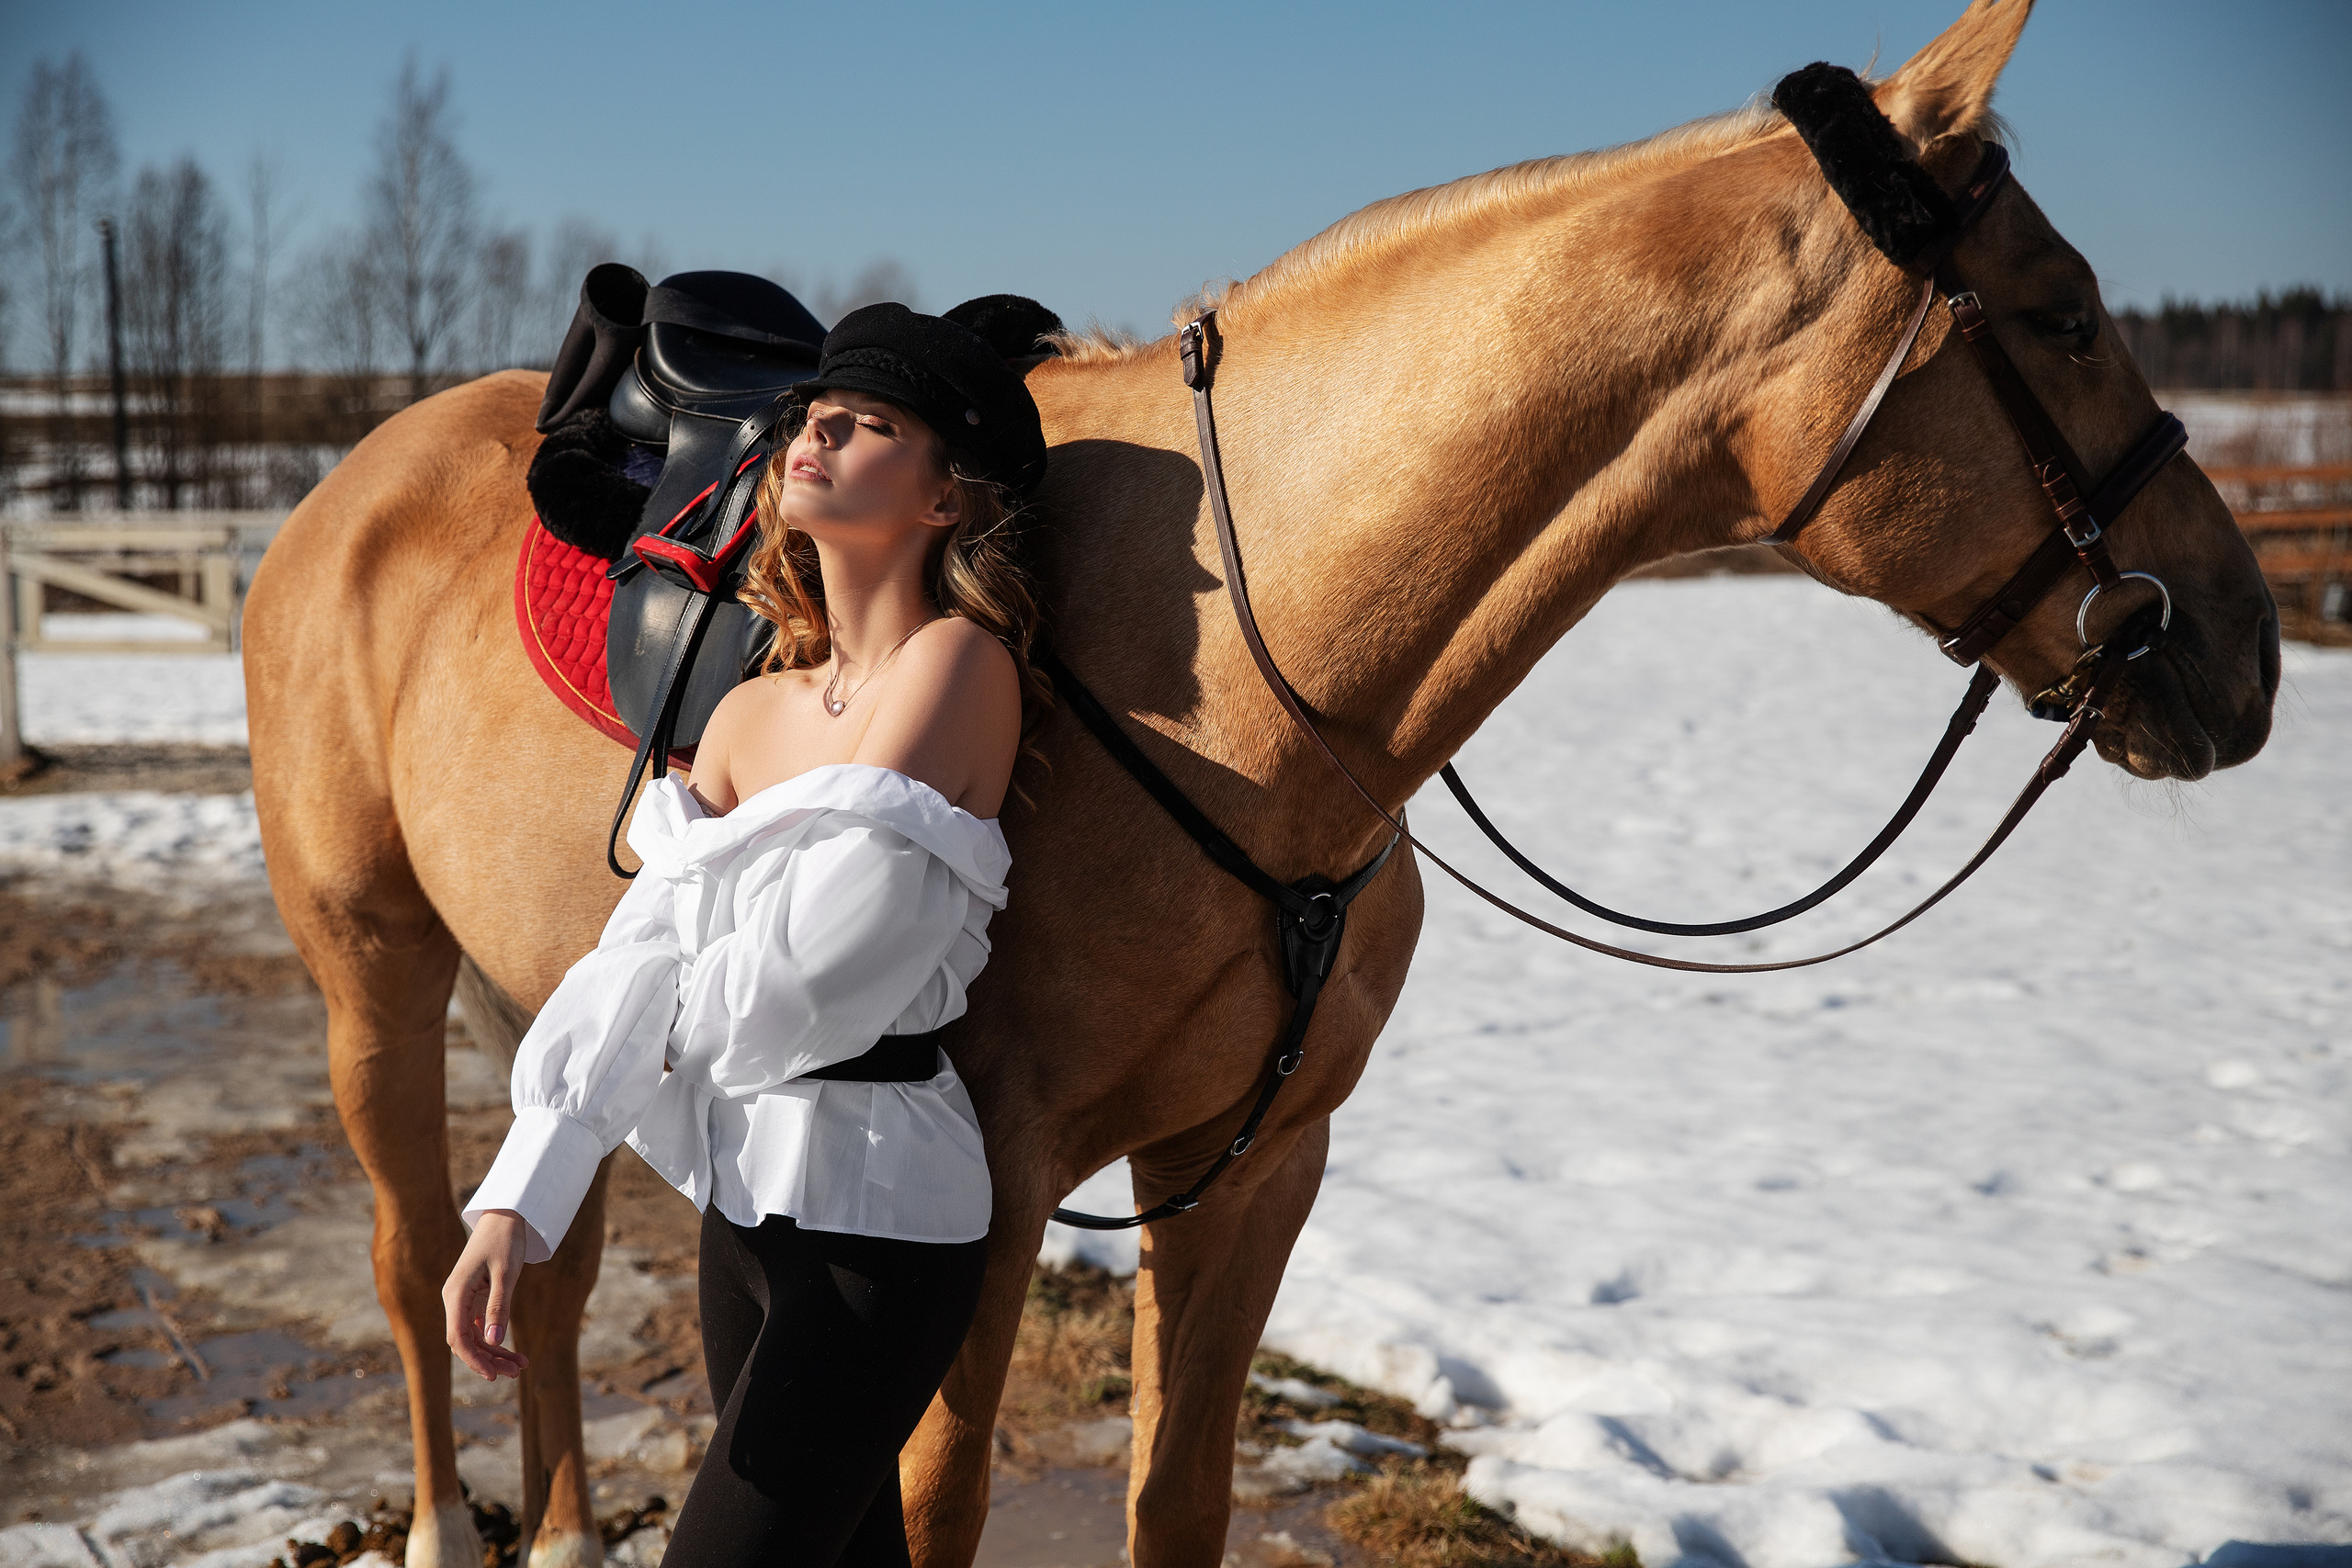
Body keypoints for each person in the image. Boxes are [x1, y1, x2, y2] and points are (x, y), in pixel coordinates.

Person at [442, 299, 1054, 1566]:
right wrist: (521, 1195)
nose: (816, 435)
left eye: (869, 424)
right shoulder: (745, 712)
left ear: (945, 498)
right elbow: (634, 956)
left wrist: (656, 1032)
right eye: (814, 416)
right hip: (739, 1216)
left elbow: (812, 974)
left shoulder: (957, 668)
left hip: (878, 1223)